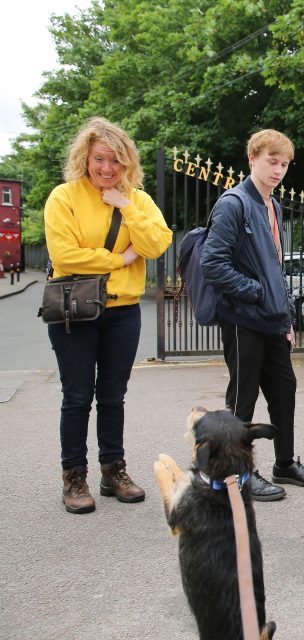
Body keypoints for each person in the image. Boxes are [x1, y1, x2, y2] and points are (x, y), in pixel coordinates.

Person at [44, 117, 172, 514]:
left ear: (127, 164)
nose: (106, 168)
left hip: (122, 311)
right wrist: (119, 258)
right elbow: (64, 255)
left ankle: (113, 470)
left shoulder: (139, 199)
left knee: (113, 395)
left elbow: (156, 243)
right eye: (100, 159)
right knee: (78, 395)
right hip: (75, 310)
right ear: (86, 157)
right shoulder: (64, 197)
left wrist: (125, 206)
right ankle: (74, 476)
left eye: (116, 161)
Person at [201, 129, 304, 501]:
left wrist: (286, 318)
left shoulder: (273, 204)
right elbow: (213, 263)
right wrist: (256, 293)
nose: (278, 170)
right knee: (242, 399)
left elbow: (275, 267)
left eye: (284, 164)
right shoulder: (233, 203)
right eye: (272, 162)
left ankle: (284, 463)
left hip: (272, 320)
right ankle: (239, 474)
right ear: (252, 158)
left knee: (284, 391)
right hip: (242, 319)